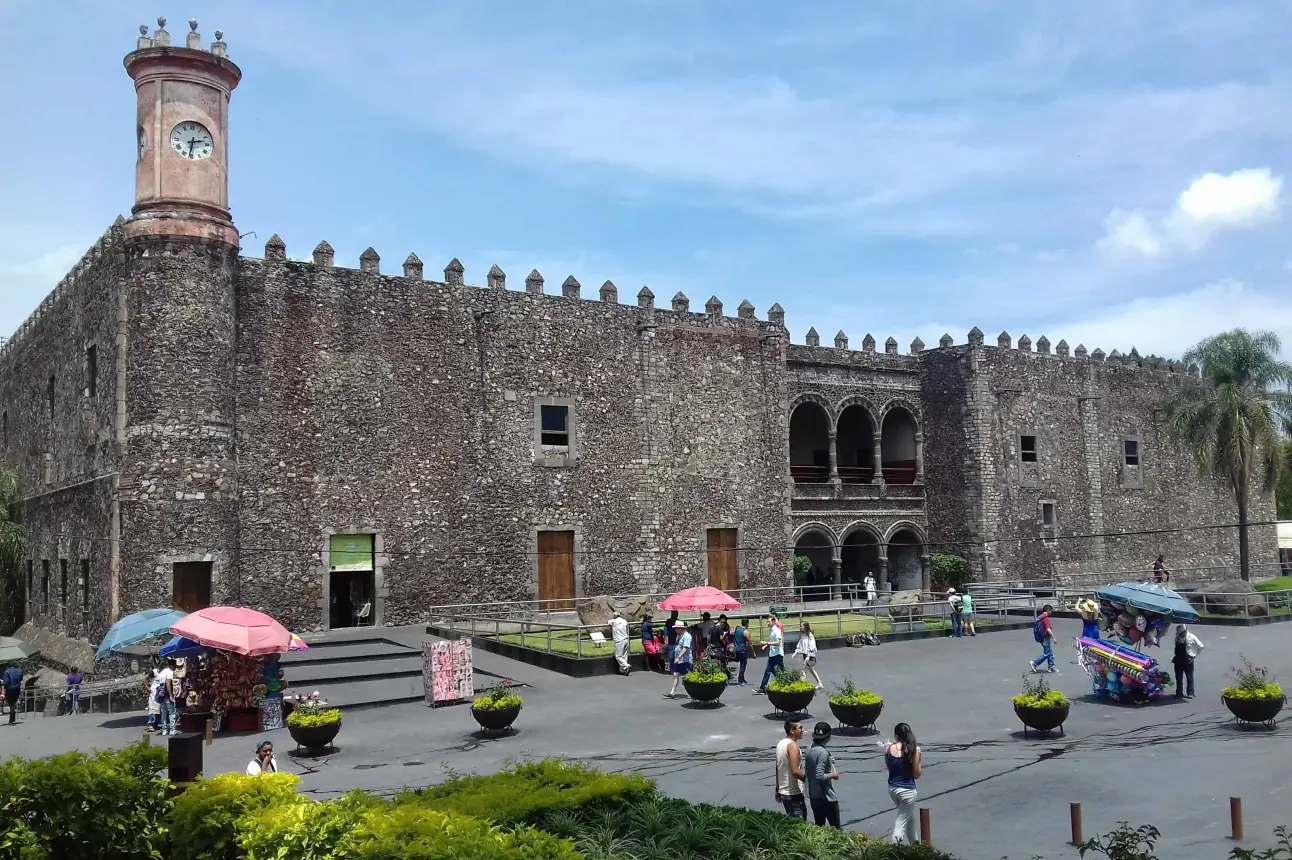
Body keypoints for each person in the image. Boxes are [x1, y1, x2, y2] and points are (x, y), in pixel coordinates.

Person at [886, 723, 922, 844]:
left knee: (909, 817)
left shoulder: (888, 749)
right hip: (907, 791)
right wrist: (919, 760)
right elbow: (917, 774)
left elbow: (890, 768)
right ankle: (893, 851)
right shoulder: (913, 751)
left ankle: (915, 845)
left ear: (896, 736)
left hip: (893, 789)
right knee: (900, 823)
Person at [805, 721, 841, 828]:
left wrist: (828, 760)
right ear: (828, 736)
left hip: (813, 796)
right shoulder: (823, 753)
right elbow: (820, 776)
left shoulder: (810, 748)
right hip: (825, 797)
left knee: (819, 827)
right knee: (835, 829)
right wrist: (833, 775)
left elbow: (815, 762)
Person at [774, 718, 807, 819]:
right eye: (800, 728)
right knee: (800, 824)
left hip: (785, 792)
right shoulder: (793, 746)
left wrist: (778, 788)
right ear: (792, 731)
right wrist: (812, 781)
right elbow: (795, 771)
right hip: (794, 793)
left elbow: (778, 767)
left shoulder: (781, 743)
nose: (802, 730)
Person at [754, 612, 785, 694]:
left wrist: (766, 643)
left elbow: (778, 642)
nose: (768, 623)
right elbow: (772, 641)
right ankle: (762, 688)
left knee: (781, 672)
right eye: (767, 622)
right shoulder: (771, 631)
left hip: (777, 654)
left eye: (769, 621)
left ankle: (785, 685)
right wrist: (766, 645)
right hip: (772, 654)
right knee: (768, 671)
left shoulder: (777, 631)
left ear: (774, 622)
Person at [1172, 624, 1204, 699]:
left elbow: (1201, 646)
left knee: (1189, 676)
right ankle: (1179, 693)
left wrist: (1194, 655)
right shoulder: (1177, 637)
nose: (1180, 635)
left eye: (1182, 633)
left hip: (1188, 659)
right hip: (1178, 659)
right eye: (1179, 634)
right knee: (1178, 677)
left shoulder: (1192, 637)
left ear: (1185, 631)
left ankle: (1190, 692)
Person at [664, 620, 692, 699]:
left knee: (688, 676)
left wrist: (679, 657)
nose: (675, 630)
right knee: (675, 674)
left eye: (677, 628)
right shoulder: (679, 635)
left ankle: (691, 692)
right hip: (678, 659)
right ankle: (672, 692)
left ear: (681, 628)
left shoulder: (687, 636)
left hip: (685, 659)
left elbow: (686, 648)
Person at [1028, 604, 1057, 674]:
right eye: (1051, 610)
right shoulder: (1046, 619)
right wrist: (1054, 637)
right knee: (1048, 653)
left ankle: (1051, 667)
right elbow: (1048, 629)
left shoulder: (1040, 617)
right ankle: (1035, 663)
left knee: (1050, 652)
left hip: (1041, 637)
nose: (1051, 612)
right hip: (1046, 637)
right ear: (1048, 610)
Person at [795, 622, 823, 689]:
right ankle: (819, 683)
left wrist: (808, 656)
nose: (801, 627)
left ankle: (800, 685)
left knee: (804, 670)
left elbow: (812, 646)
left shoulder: (810, 635)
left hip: (810, 656)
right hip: (806, 655)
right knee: (811, 670)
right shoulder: (803, 635)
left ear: (805, 627)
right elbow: (800, 643)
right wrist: (796, 651)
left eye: (802, 626)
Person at [156, 660, 179, 735]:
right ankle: (172, 730)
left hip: (161, 695)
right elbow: (168, 683)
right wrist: (171, 695)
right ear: (172, 666)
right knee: (172, 712)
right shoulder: (170, 672)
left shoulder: (162, 672)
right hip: (167, 695)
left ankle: (164, 730)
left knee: (164, 712)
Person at [610, 611, 631, 676]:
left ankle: (626, 666)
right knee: (624, 655)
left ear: (614, 616)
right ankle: (623, 670)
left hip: (619, 640)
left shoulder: (613, 622)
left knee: (618, 656)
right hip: (626, 639)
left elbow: (608, 622)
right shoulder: (624, 621)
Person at [733, 617, 752, 686]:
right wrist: (754, 653)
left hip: (736, 649)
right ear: (747, 623)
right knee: (743, 665)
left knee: (742, 664)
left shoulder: (737, 629)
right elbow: (750, 644)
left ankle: (742, 679)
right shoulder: (746, 632)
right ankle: (740, 681)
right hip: (742, 650)